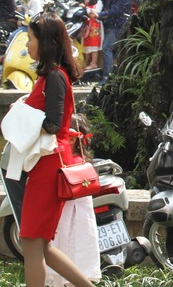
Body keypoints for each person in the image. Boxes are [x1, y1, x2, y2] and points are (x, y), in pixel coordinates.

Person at [14, 12, 93, 287]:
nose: (27, 45)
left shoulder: (55, 77)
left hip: (48, 167)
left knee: (32, 243)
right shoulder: (51, 76)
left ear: (45, 42)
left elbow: (53, 124)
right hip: (44, 165)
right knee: (41, 245)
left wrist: (22, 112)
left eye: (30, 38)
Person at [45, 113, 101, 287]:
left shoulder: (77, 161)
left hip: (77, 217)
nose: (66, 140)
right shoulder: (61, 156)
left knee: (78, 253)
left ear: (77, 139)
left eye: (70, 137)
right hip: (64, 215)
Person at [88, 0, 131, 85]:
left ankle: (106, 79)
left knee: (107, 47)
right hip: (107, 24)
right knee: (113, 51)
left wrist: (99, 15)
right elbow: (100, 3)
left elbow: (117, 10)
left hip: (118, 25)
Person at [81, 0, 103, 70]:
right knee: (87, 43)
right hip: (87, 26)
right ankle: (87, 61)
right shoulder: (85, 2)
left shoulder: (99, 2)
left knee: (94, 44)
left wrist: (86, 9)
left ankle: (94, 63)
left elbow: (96, 12)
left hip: (95, 26)